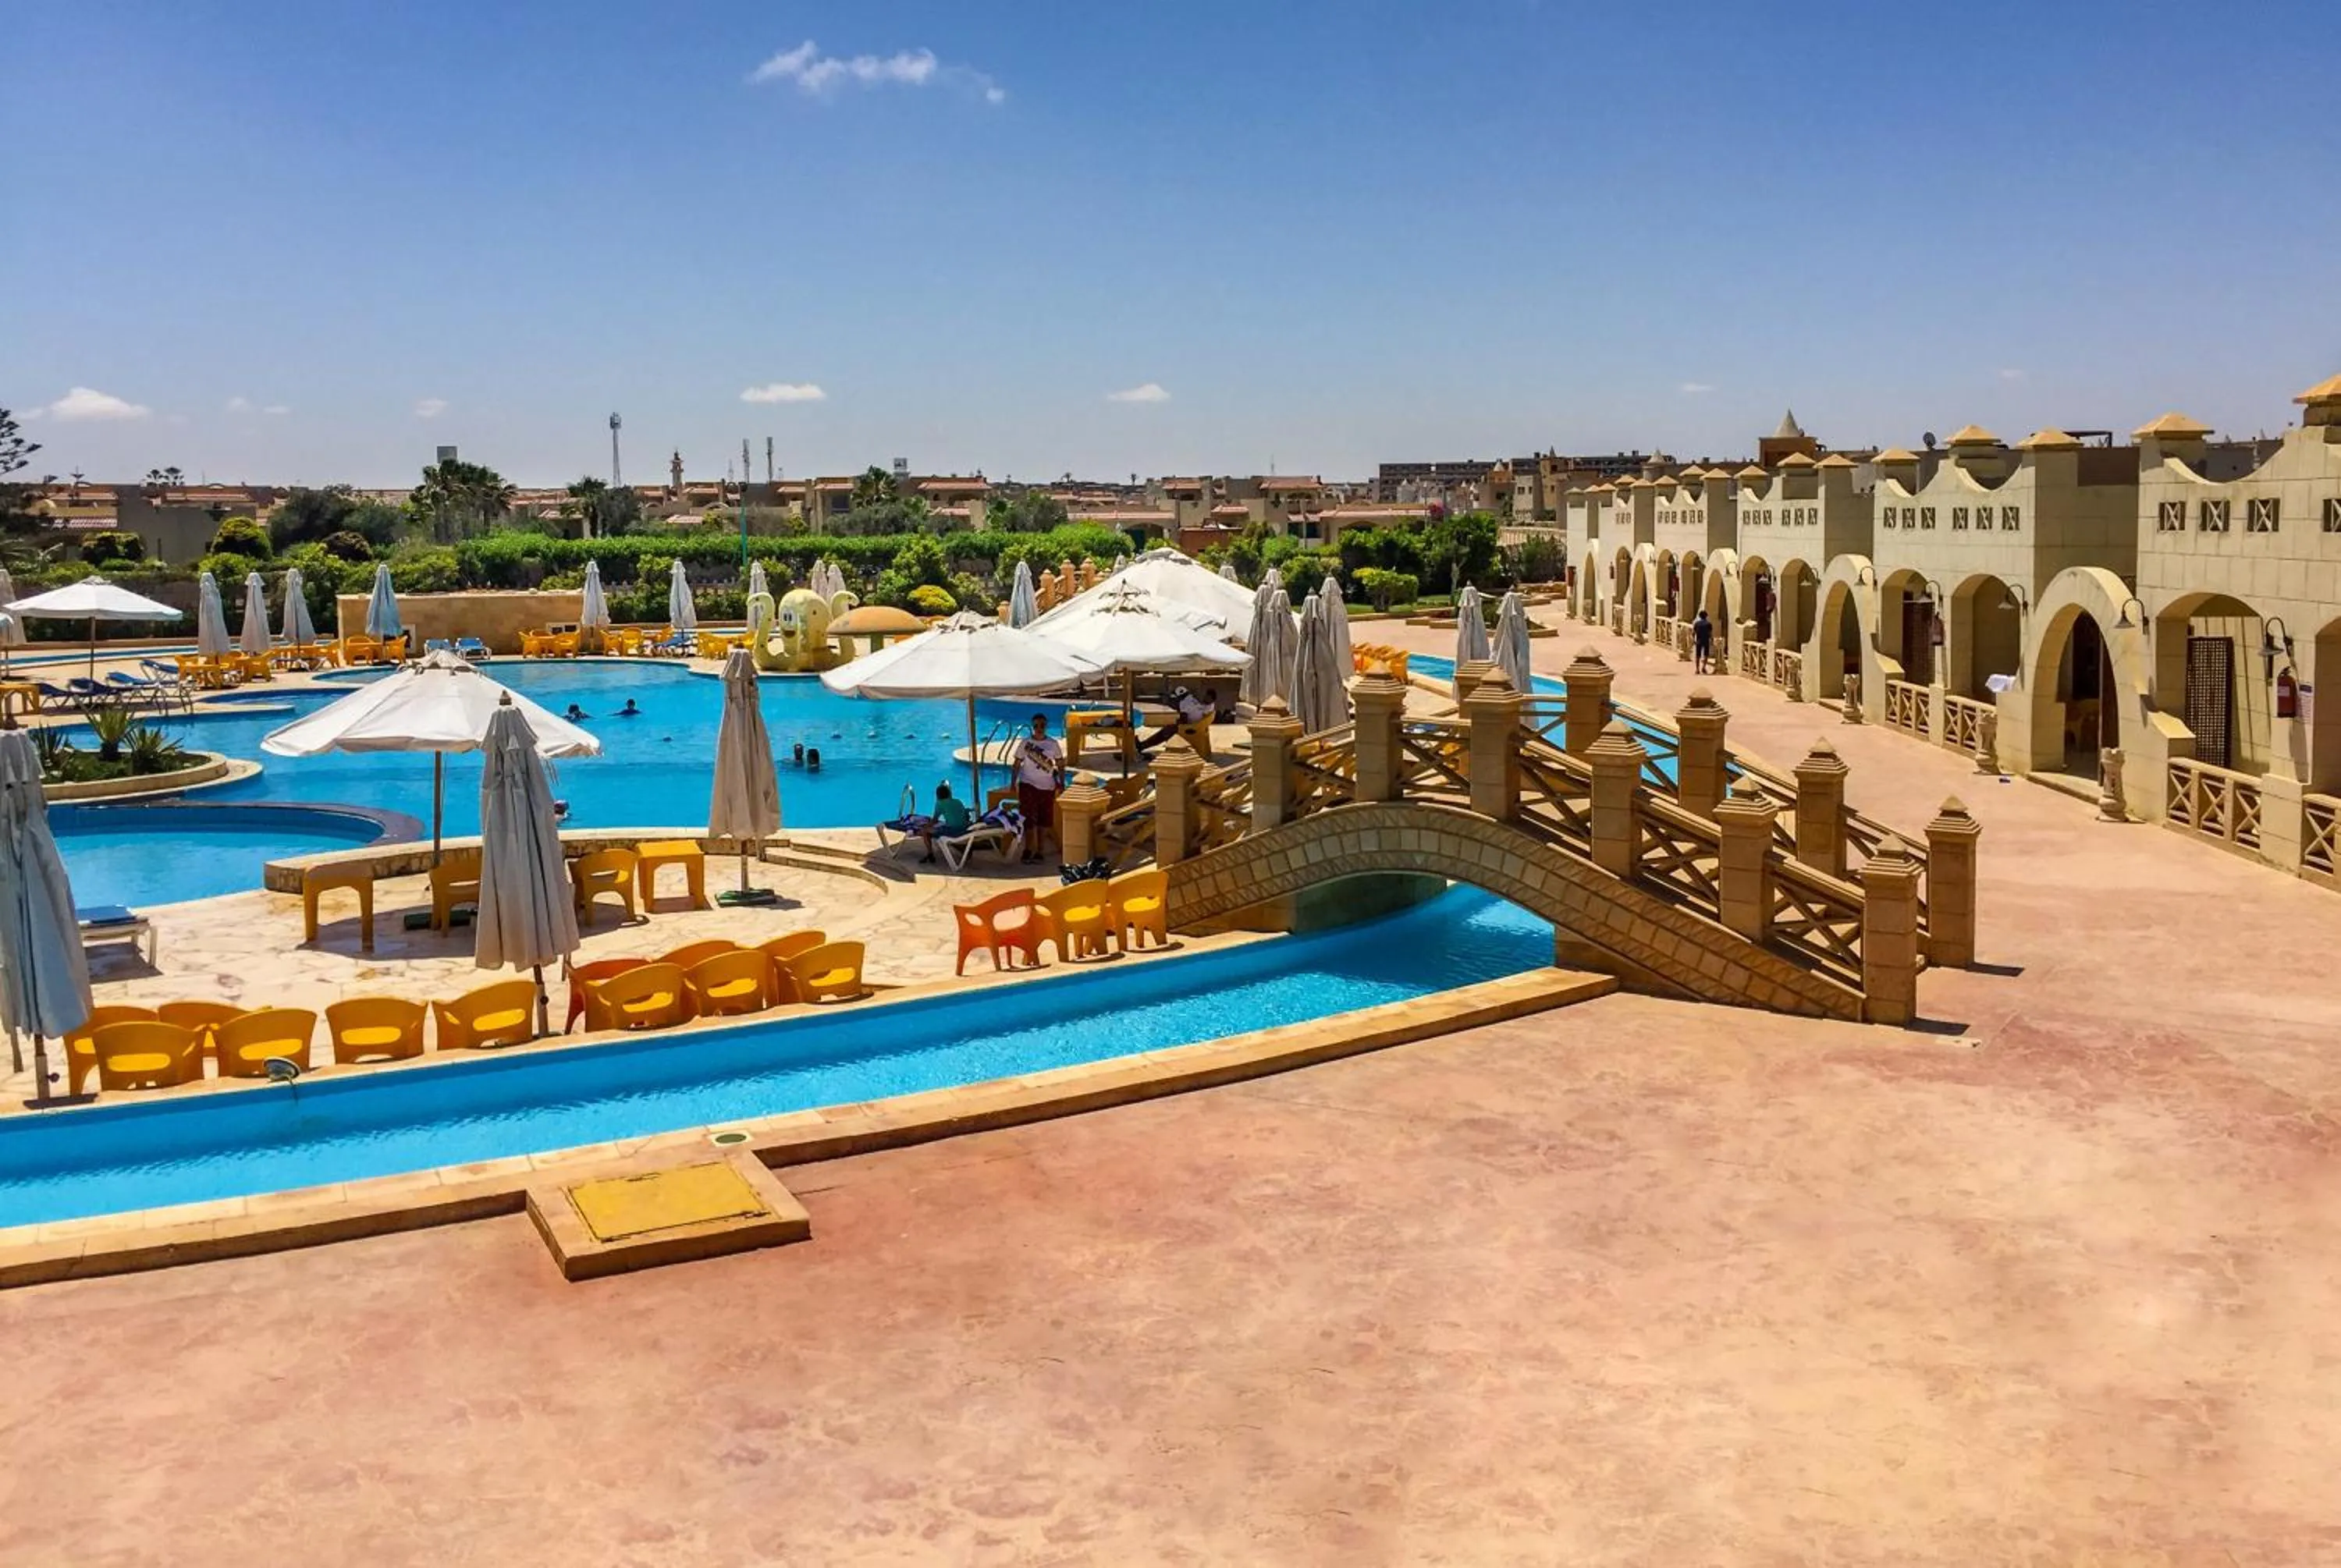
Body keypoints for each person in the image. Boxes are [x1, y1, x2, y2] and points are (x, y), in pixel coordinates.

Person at [1013, 711, 1064, 864]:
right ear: (1032, 727)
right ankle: (1028, 849)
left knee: (1044, 819)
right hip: (1027, 784)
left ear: (1046, 726)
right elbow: (1016, 764)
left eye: (1042, 725)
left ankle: (1040, 851)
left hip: (1047, 787)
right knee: (1028, 818)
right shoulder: (1025, 743)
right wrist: (1012, 782)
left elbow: (1060, 765)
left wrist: (1062, 783)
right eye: (1036, 726)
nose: (1039, 728)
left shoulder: (1053, 744)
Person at [1139, 686, 1215, 753]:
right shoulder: (1192, 698)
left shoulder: (1184, 703)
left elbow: (1183, 720)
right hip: (1197, 725)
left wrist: (1175, 723)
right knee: (1168, 728)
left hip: (1190, 727)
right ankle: (1143, 745)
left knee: (1165, 731)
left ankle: (1142, 746)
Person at [914, 781, 973, 862]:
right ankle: (964, 849)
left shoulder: (940, 803)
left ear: (937, 795)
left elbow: (935, 820)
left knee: (925, 831)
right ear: (949, 793)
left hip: (953, 832)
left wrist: (925, 827)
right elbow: (964, 816)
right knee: (943, 827)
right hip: (965, 830)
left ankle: (930, 854)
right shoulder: (958, 801)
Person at [1691, 609, 1714, 675]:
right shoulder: (1709, 624)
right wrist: (1712, 640)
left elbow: (1693, 633)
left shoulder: (1697, 624)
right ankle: (1704, 667)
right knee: (1706, 655)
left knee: (1698, 656)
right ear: (1706, 616)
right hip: (1706, 641)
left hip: (1699, 641)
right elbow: (1710, 633)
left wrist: (1693, 640)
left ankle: (1697, 669)